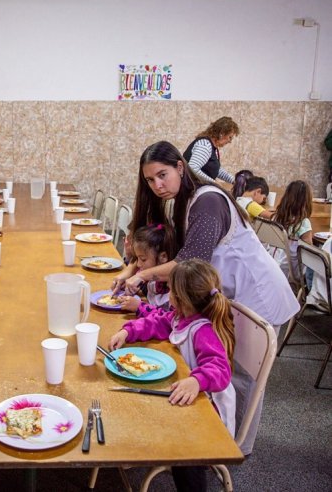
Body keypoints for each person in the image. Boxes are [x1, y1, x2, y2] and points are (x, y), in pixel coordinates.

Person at [113, 140, 299, 455]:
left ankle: (235, 451)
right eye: (150, 180)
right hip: (232, 295)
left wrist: (141, 275)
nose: (157, 185)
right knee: (229, 370)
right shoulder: (184, 201)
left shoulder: (208, 200)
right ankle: (220, 437)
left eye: (162, 175)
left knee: (245, 377)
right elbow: (170, 249)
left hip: (258, 295)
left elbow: (189, 261)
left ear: (180, 167)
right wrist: (133, 267)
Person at [109, 259, 236, 492]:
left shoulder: (203, 330)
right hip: (184, 394)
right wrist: (128, 332)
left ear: (180, 298)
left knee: (185, 453)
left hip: (208, 409)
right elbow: (158, 322)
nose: (168, 295)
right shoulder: (180, 316)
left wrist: (196, 380)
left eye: (170, 291)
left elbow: (220, 369)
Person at [117, 223, 177, 316]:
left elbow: (168, 319)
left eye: (143, 259)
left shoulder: (175, 290)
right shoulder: (147, 275)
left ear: (163, 257)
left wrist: (139, 307)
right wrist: (131, 289)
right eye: (137, 258)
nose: (138, 264)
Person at [271, 180, 313, 280]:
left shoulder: (276, 217)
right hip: (293, 271)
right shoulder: (303, 223)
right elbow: (310, 251)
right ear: (306, 201)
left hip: (275, 263)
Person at [183, 116, 239, 184]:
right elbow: (192, 169)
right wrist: (214, 183)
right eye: (230, 137)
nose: (230, 141)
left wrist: (233, 180)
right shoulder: (205, 145)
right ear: (221, 134)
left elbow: (215, 169)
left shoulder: (213, 147)